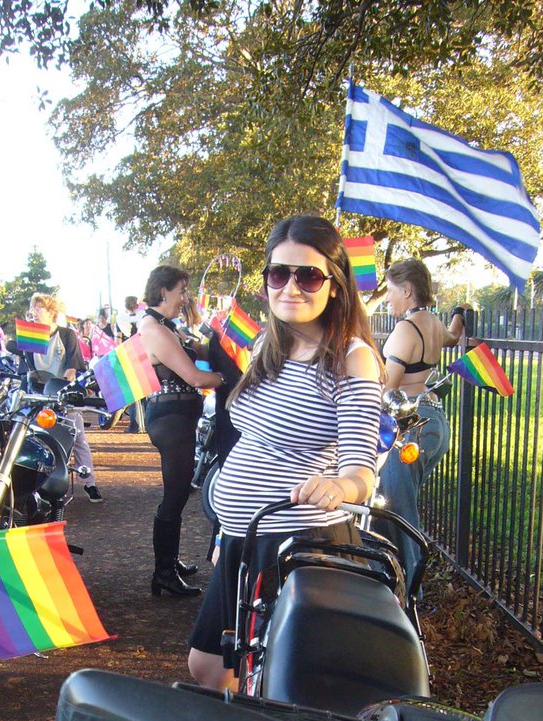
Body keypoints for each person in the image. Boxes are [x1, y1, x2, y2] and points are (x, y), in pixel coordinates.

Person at [187, 214, 383, 690]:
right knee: (210, 667)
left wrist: (339, 485)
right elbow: (250, 441)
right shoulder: (266, 346)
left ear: (335, 285)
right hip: (242, 537)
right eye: (278, 273)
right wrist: (222, 538)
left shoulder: (350, 357)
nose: (290, 287)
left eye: (308, 275)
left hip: (297, 545)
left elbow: (363, 472)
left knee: (279, 684)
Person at [139, 265, 224, 597]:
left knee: (176, 494)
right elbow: (195, 377)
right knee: (174, 495)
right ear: (163, 292)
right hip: (170, 419)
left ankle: (169, 563)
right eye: (181, 291)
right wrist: (235, 379)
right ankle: (163, 572)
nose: (184, 298)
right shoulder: (154, 329)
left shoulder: (163, 325)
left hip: (176, 418)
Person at [374, 258, 453, 590]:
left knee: (398, 511)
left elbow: (387, 386)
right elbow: (452, 337)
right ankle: (392, 580)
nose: (388, 299)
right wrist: (460, 317)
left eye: (391, 291)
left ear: (407, 290)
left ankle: (410, 593)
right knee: (392, 506)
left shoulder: (405, 329)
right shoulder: (432, 322)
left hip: (409, 425)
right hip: (434, 422)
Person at [26, 293, 102, 503]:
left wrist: (65, 386)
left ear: (52, 313)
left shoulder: (66, 335)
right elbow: (29, 370)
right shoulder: (30, 337)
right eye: (32, 309)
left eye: (39, 309)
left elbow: (72, 367)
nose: (34, 313)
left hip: (64, 394)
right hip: (41, 396)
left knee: (78, 439)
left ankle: (90, 483)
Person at [117, 297, 142, 431]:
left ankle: (134, 423)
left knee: (132, 390)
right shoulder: (145, 316)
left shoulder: (120, 319)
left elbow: (118, 340)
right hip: (144, 353)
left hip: (128, 353)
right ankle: (144, 423)